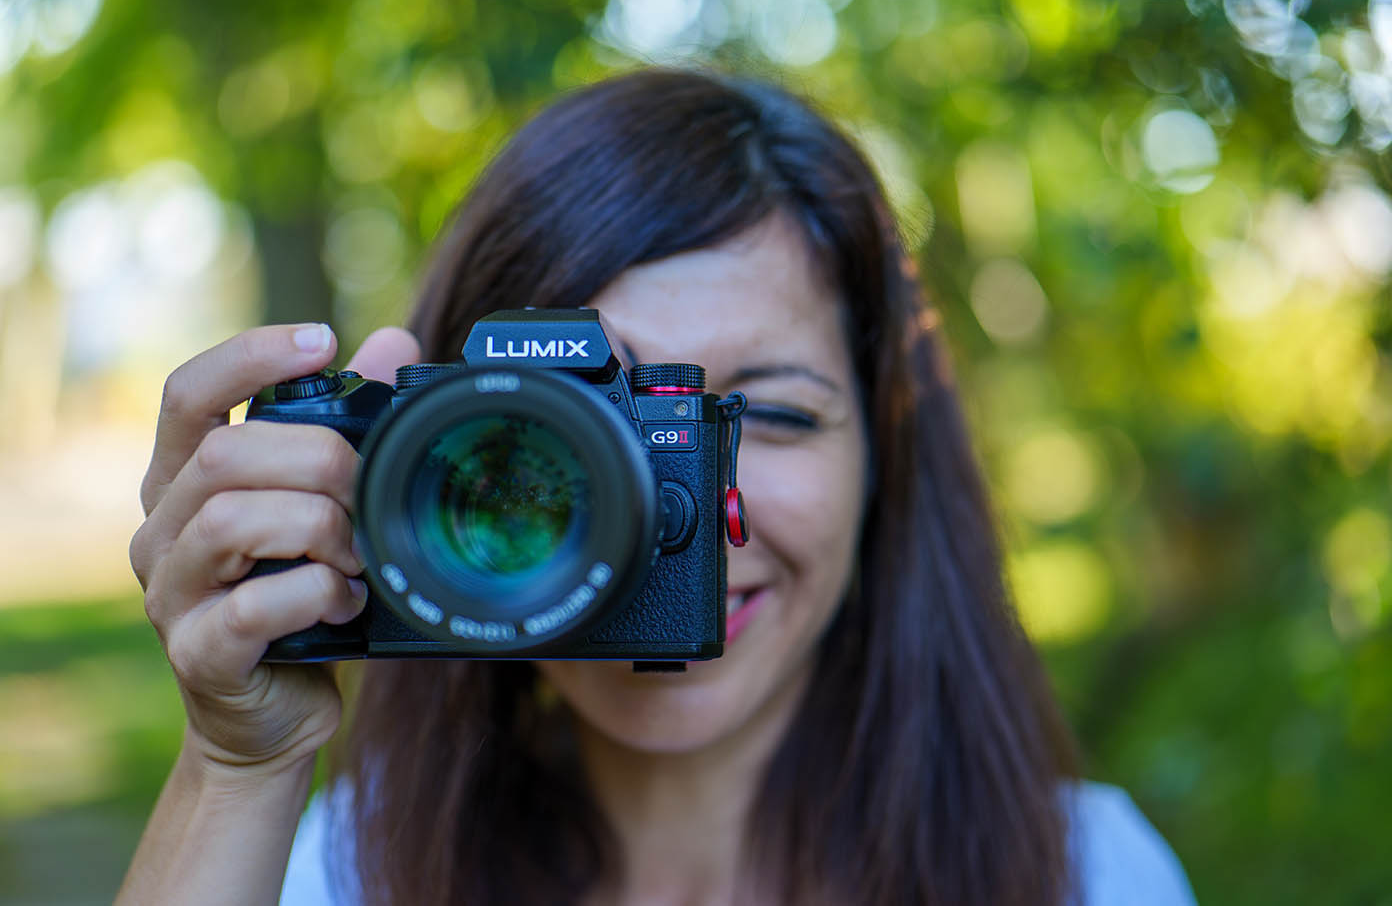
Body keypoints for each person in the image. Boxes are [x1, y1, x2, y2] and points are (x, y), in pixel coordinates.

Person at [118, 69, 1195, 905]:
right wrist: (231, 770)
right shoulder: (336, 873)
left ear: (883, 460)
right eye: (577, 430)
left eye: (768, 415)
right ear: (414, 466)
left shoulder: (1081, 875)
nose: (674, 513)